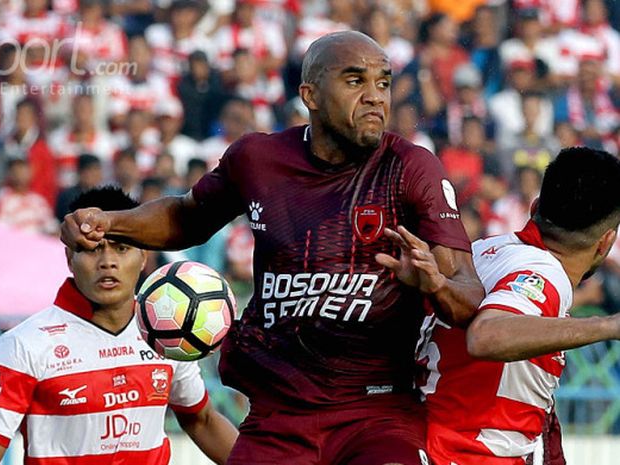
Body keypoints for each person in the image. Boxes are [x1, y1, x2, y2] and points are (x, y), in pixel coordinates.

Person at [61, 31, 484, 465]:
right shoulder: (257, 160)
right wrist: (108, 222)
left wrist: (435, 285)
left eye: (383, 82)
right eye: (355, 81)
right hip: (279, 415)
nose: (376, 96)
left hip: (377, 412)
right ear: (310, 95)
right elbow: (186, 219)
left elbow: (469, 295)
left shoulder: (410, 167)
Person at [0, 186, 238, 465]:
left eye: (121, 248)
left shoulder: (167, 334)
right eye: (93, 249)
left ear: (144, 256)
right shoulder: (24, 343)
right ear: (70, 258)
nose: (108, 262)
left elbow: (202, 421)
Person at [419, 147, 620, 465]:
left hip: (427, 441)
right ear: (606, 242)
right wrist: (608, 325)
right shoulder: (543, 274)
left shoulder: (485, 249)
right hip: (467, 456)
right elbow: (487, 335)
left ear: (535, 208)